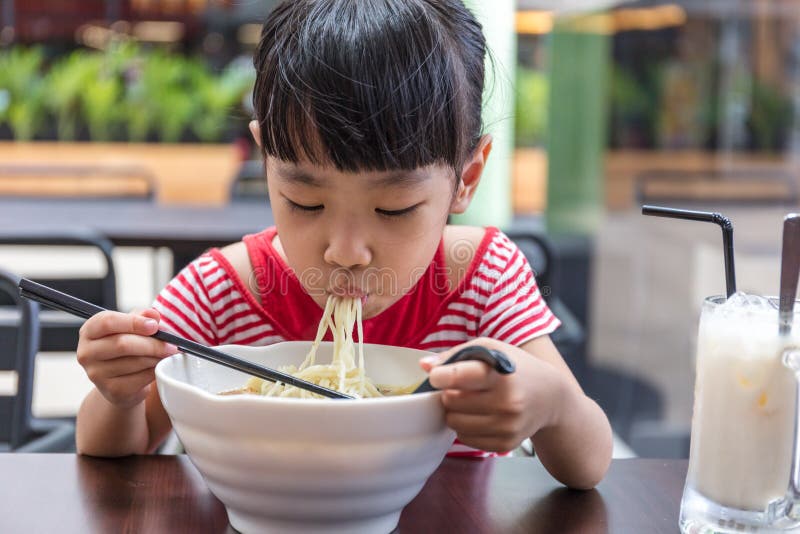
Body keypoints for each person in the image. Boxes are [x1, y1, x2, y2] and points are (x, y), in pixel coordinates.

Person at [75, 0, 612, 489]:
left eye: (393, 209)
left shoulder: (483, 279)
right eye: (305, 202)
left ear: (465, 179)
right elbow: (121, 447)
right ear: (266, 162)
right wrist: (116, 394)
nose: (346, 251)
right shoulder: (222, 292)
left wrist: (552, 405)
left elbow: (588, 465)